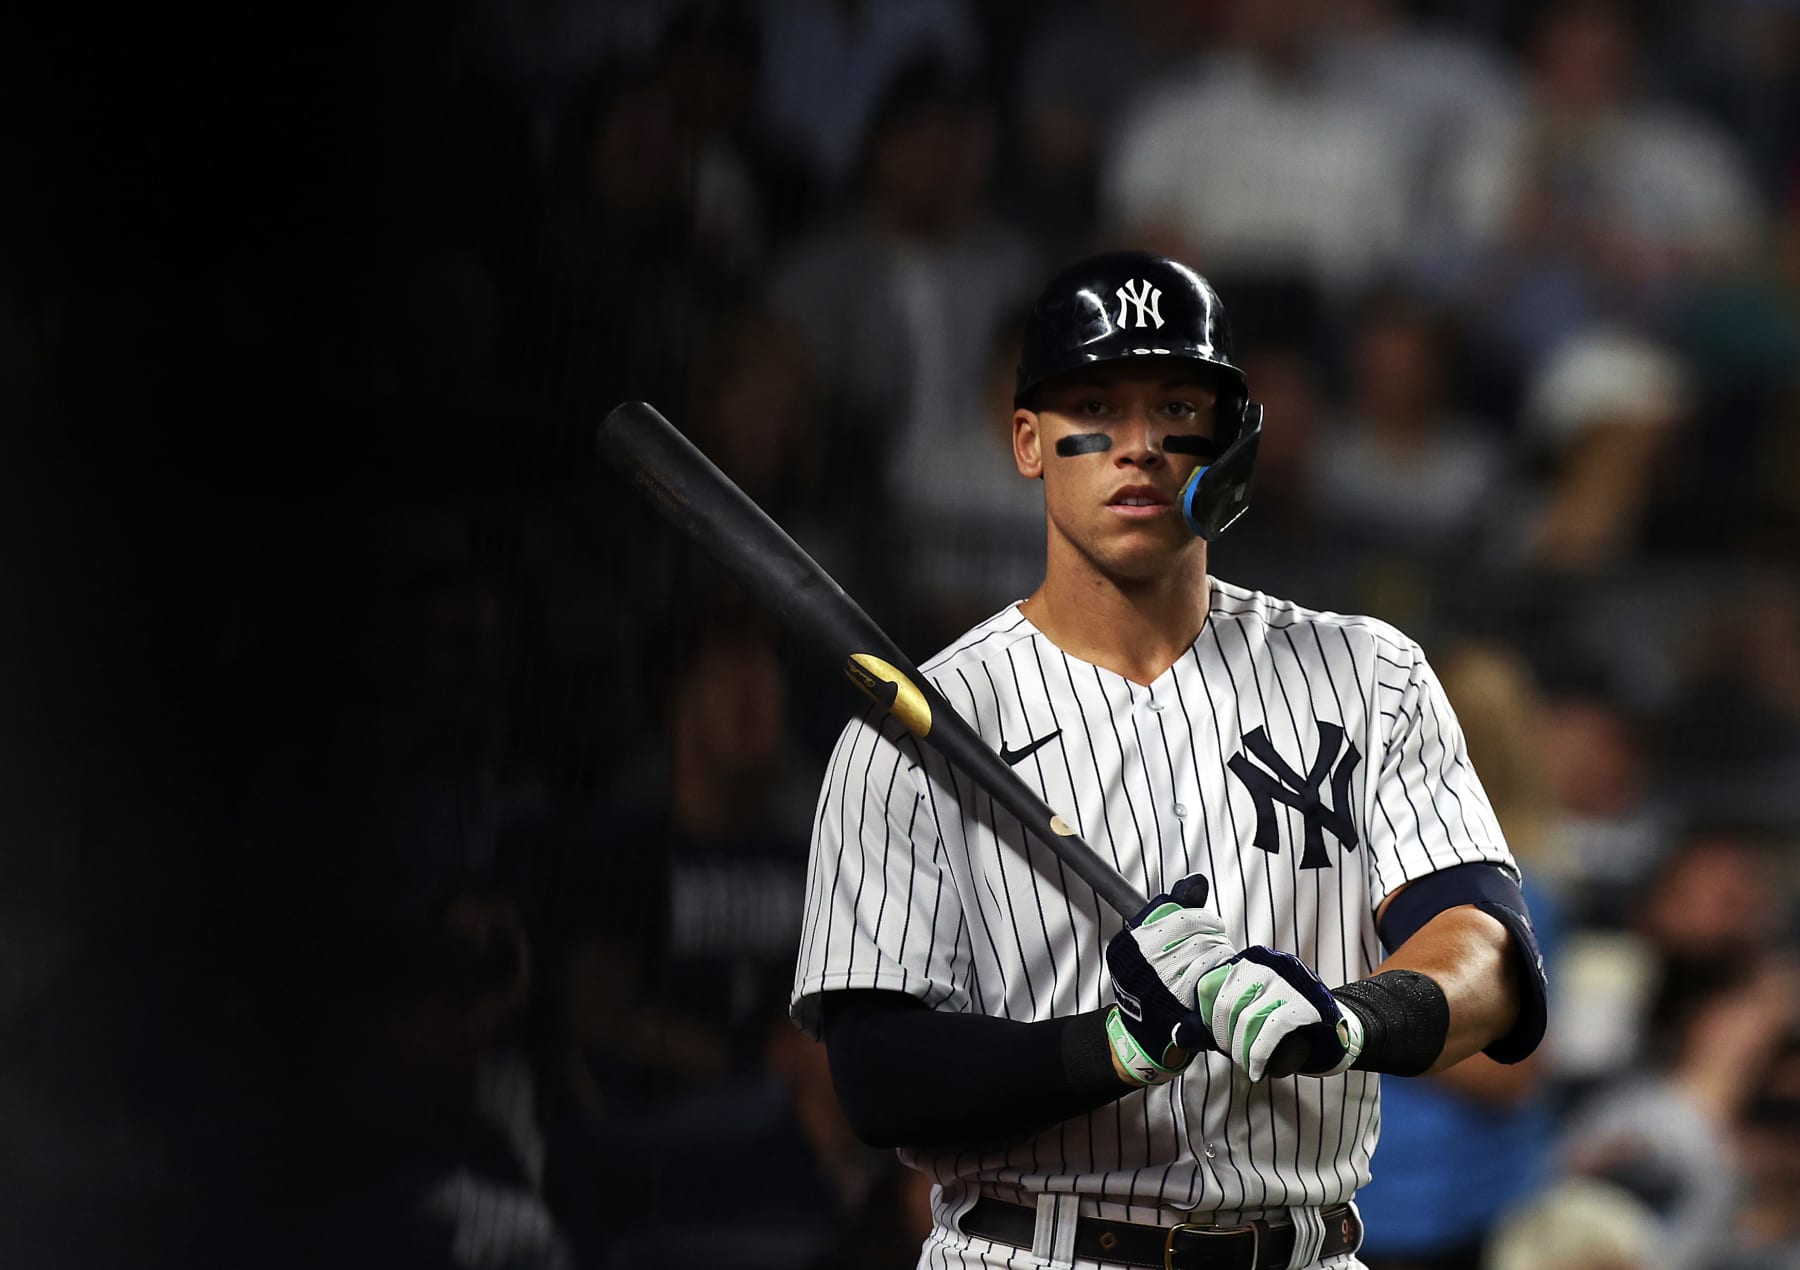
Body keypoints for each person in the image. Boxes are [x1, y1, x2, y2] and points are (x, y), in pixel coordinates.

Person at [790, 251, 1548, 1269]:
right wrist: (1116, 1045)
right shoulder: (917, 726)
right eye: (1095, 404)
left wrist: (1347, 1019)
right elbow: (878, 1074)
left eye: (1177, 408)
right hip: (1037, 1251)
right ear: (1028, 439)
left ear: (1230, 438)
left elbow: (1487, 951)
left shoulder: (1370, 672)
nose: (1138, 446)